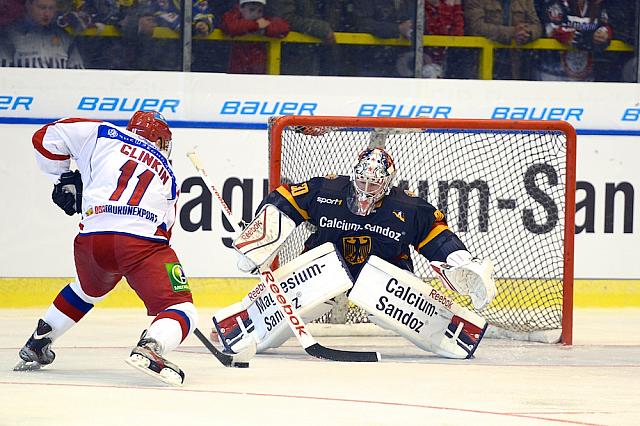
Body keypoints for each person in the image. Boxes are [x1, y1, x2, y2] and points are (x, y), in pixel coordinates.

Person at [226, 147, 496, 357]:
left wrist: (460, 261)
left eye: (374, 184)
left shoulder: (408, 207)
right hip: (324, 268)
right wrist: (259, 237)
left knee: (381, 297)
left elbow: (436, 235)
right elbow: (284, 199)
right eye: (362, 181)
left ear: (387, 183)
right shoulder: (326, 190)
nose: (366, 189)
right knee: (313, 293)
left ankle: (451, 331)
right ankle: (248, 325)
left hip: (384, 276)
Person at [14, 111, 197, 386]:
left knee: (86, 290)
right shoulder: (168, 174)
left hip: (91, 240)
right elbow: (165, 232)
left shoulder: (102, 133)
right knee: (180, 307)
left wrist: (63, 178)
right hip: (140, 243)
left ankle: (39, 341)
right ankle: (152, 345)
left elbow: (44, 137)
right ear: (160, 140)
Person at [534, 0, 612, 81]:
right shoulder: (556, 3)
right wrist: (588, 37)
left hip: (586, 74)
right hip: (553, 72)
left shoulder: (597, 5)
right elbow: (552, 30)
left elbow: (606, 27)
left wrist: (605, 33)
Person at [464, 0, 542, 80]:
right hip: (481, 64)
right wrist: (512, 32)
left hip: (516, 63)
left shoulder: (526, 1)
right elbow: (475, 27)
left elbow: (537, 26)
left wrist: (527, 33)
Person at [5, 0, 85, 68]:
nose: (47, 13)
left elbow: (78, 73)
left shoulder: (65, 37)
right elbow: (4, 74)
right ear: (28, 5)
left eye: (51, 8)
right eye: (42, 8)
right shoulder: (11, 35)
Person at [220, 0, 290, 74]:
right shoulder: (232, 17)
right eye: (251, 10)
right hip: (236, 69)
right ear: (240, 8)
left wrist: (266, 28)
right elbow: (230, 26)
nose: (256, 14)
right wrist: (256, 25)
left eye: (260, 11)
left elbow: (284, 28)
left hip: (258, 70)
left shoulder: (264, 20)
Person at [352, 0, 414, 77]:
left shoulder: (410, 3)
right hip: (372, 61)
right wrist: (398, 28)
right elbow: (364, 24)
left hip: (403, 63)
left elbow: (417, 22)